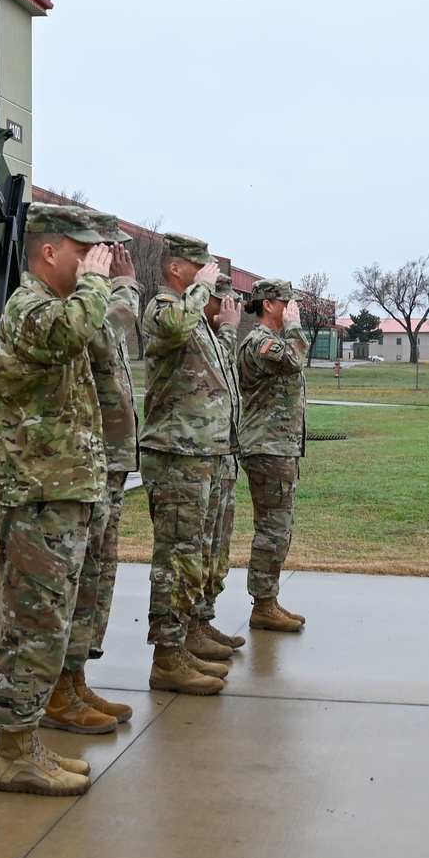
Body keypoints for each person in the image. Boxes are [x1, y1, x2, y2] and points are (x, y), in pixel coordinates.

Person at [0, 203, 113, 794]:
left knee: (50, 626)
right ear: (49, 252)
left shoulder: (52, 308)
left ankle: (28, 739)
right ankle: (13, 753)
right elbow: (73, 331)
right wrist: (95, 282)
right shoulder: (31, 309)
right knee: (34, 627)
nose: (91, 262)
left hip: (60, 494)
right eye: (81, 252)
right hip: (40, 499)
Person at [41, 212, 139, 734]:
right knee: (76, 581)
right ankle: (60, 690)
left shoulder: (86, 302)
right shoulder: (66, 307)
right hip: (76, 467)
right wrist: (117, 283)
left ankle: (74, 680)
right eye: (97, 250)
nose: (106, 258)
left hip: (104, 459)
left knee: (96, 578)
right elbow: (105, 333)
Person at [139, 233, 235, 694]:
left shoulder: (196, 317)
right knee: (176, 558)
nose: (210, 279)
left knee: (194, 555)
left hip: (200, 454)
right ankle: (167, 657)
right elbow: (174, 327)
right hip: (176, 455)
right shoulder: (163, 309)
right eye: (202, 269)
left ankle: (187, 638)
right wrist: (201, 292)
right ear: (177, 268)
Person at [236, 278, 308, 633]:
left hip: (277, 447)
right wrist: (294, 326)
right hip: (266, 448)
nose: (291, 308)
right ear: (268, 304)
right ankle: (263, 604)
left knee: (280, 529)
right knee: (271, 530)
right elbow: (294, 360)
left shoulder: (273, 341)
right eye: (286, 303)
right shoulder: (260, 342)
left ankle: (268, 600)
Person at [189, 273, 246, 650]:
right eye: (219, 299)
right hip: (197, 456)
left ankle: (203, 620)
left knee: (217, 547)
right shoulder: (180, 322)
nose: (227, 307)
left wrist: (225, 329)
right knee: (196, 548)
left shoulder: (211, 334)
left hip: (223, 456)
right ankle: (187, 631)